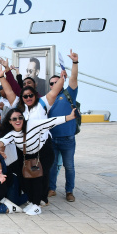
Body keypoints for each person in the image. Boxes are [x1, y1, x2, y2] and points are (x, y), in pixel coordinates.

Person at [0, 107, 78, 215]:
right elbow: (3, 141)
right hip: (30, 156)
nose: (18, 120)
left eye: (20, 117)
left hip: (44, 154)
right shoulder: (12, 133)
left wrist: (70, 117)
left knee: (37, 178)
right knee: (27, 179)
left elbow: (52, 121)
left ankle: (36, 205)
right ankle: (32, 202)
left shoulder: (32, 124)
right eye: (14, 119)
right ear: (10, 121)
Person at [48, 50, 79, 202]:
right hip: (52, 139)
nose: (54, 85)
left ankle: (69, 191)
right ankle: (51, 189)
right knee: (52, 166)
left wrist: (74, 63)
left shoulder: (69, 94)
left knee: (69, 166)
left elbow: (74, 78)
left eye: (57, 81)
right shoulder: (47, 100)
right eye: (51, 83)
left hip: (67, 139)